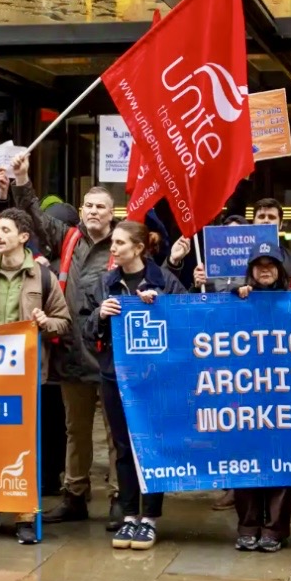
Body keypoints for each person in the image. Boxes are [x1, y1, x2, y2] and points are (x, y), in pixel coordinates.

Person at [8, 153, 121, 530]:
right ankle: (75, 494)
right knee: (77, 431)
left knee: (117, 432)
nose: (92, 211)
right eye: (87, 205)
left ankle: (121, 497)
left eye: (99, 207)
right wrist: (22, 179)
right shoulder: (69, 238)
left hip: (111, 356)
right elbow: (36, 219)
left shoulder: (124, 246)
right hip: (72, 352)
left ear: (111, 212)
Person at [0, 209, 71, 545]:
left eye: (5, 230)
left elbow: (63, 322)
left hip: (27, 376)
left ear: (23, 237)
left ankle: (23, 514)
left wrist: (45, 321)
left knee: (22, 447)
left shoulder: (41, 277)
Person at [90, 220, 187, 551]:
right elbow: (88, 328)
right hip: (115, 376)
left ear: (138, 248)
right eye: (112, 243)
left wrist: (160, 306)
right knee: (122, 447)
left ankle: (150, 518)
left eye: (119, 243)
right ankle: (129, 516)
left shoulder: (164, 280)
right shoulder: (107, 282)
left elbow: (186, 324)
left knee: (152, 445)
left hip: (154, 380)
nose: (113, 248)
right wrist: (101, 314)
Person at [230, 243, 291, 552]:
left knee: (284, 463)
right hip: (245, 396)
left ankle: (274, 529)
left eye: (271, 264)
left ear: (282, 269)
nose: (265, 269)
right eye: (259, 265)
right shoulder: (236, 300)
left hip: (285, 397)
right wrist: (232, 295)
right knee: (245, 461)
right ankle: (248, 525)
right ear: (250, 270)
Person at [252, 198, 291, 276]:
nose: (266, 220)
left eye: (271, 217)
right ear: (253, 222)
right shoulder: (240, 259)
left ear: (280, 224)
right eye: (261, 217)